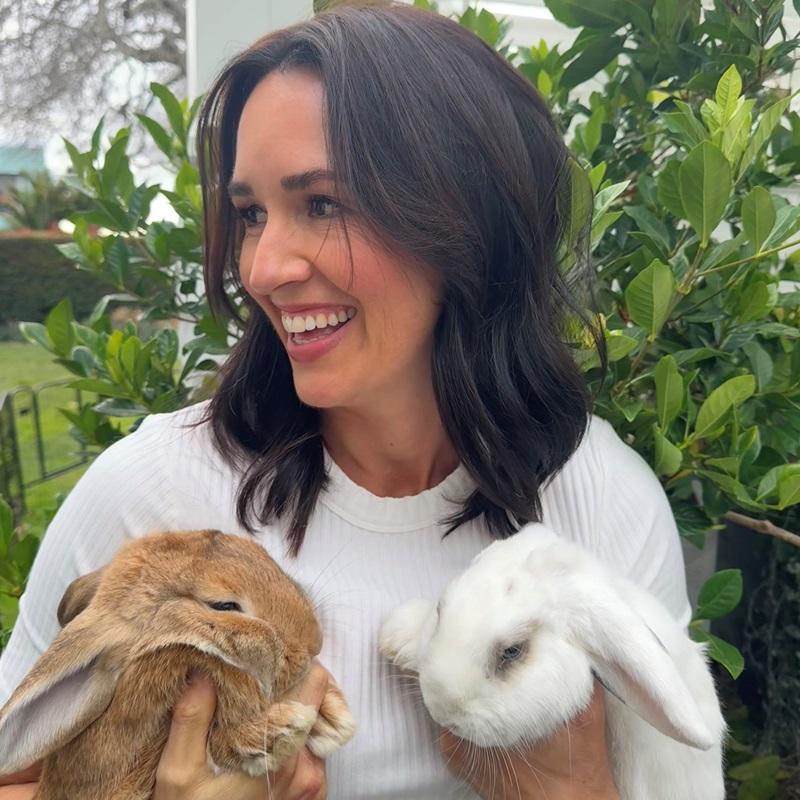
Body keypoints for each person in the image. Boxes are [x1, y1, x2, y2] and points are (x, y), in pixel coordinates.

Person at [0, 3, 691, 798]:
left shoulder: (602, 506)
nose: (262, 268)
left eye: (322, 204)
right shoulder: (153, 497)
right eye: (251, 213)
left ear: (467, 219)